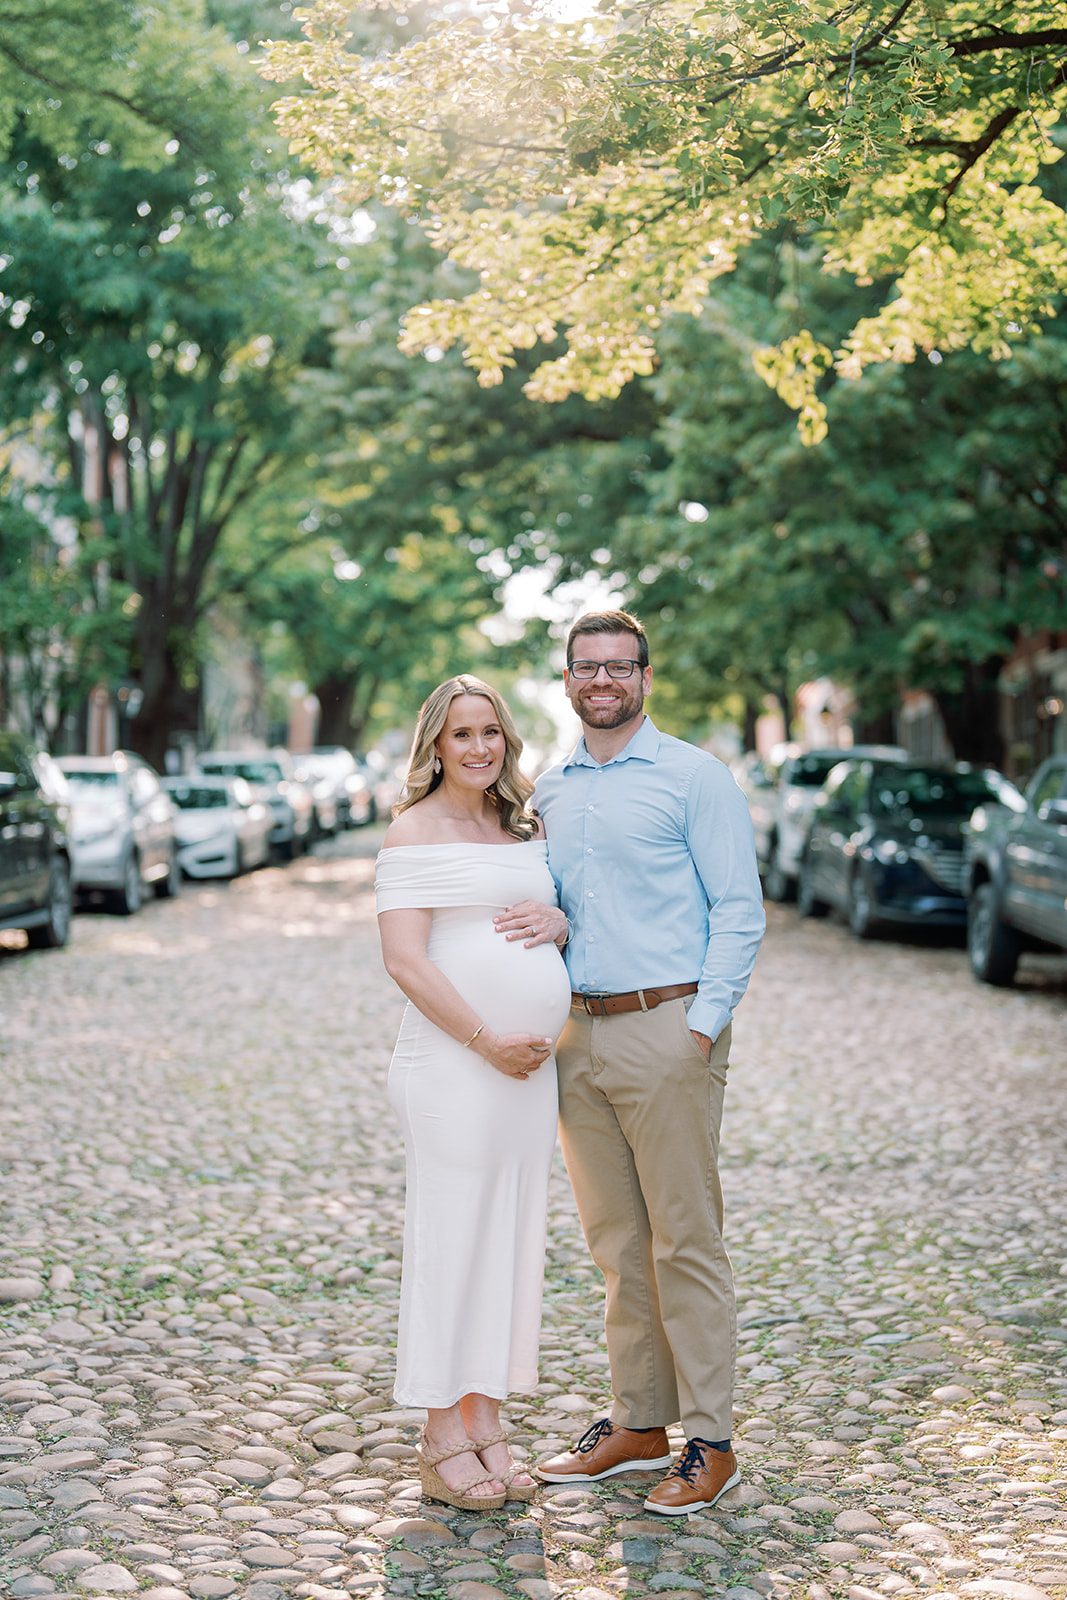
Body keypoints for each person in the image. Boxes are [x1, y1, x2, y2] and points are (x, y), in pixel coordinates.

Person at [496, 610, 765, 1515]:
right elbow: (562, 904)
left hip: (667, 1027)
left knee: (684, 1238)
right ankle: (639, 1422)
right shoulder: (552, 789)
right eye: (587, 667)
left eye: (619, 666)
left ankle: (710, 1441)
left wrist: (703, 1024)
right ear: (567, 680)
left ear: (645, 677)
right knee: (616, 1244)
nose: (602, 681)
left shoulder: (694, 776)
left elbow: (738, 909)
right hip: (577, 1032)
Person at [375, 674, 573, 1510]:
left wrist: (560, 922)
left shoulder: (522, 825)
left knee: (509, 1240)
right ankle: (438, 1433)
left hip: (527, 1075)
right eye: (462, 734)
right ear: (435, 744)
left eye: (490, 731)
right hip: (454, 1065)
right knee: (452, 1241)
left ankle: (485, 1419)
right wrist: (486, 1040)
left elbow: (558, 916)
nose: (479, 747)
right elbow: (405, 961)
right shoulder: (411, 830)